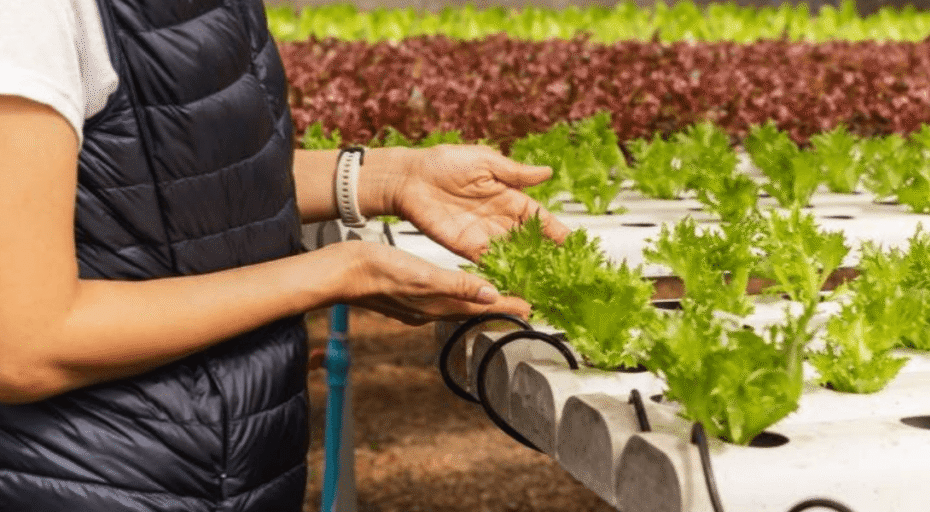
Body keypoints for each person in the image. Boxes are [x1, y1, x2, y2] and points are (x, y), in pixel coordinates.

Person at [0, 1, 570, 511]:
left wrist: (391, 177)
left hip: (228, 465)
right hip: (86, 476)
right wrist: (336, 272)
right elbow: (25, 344)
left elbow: (167, 191)